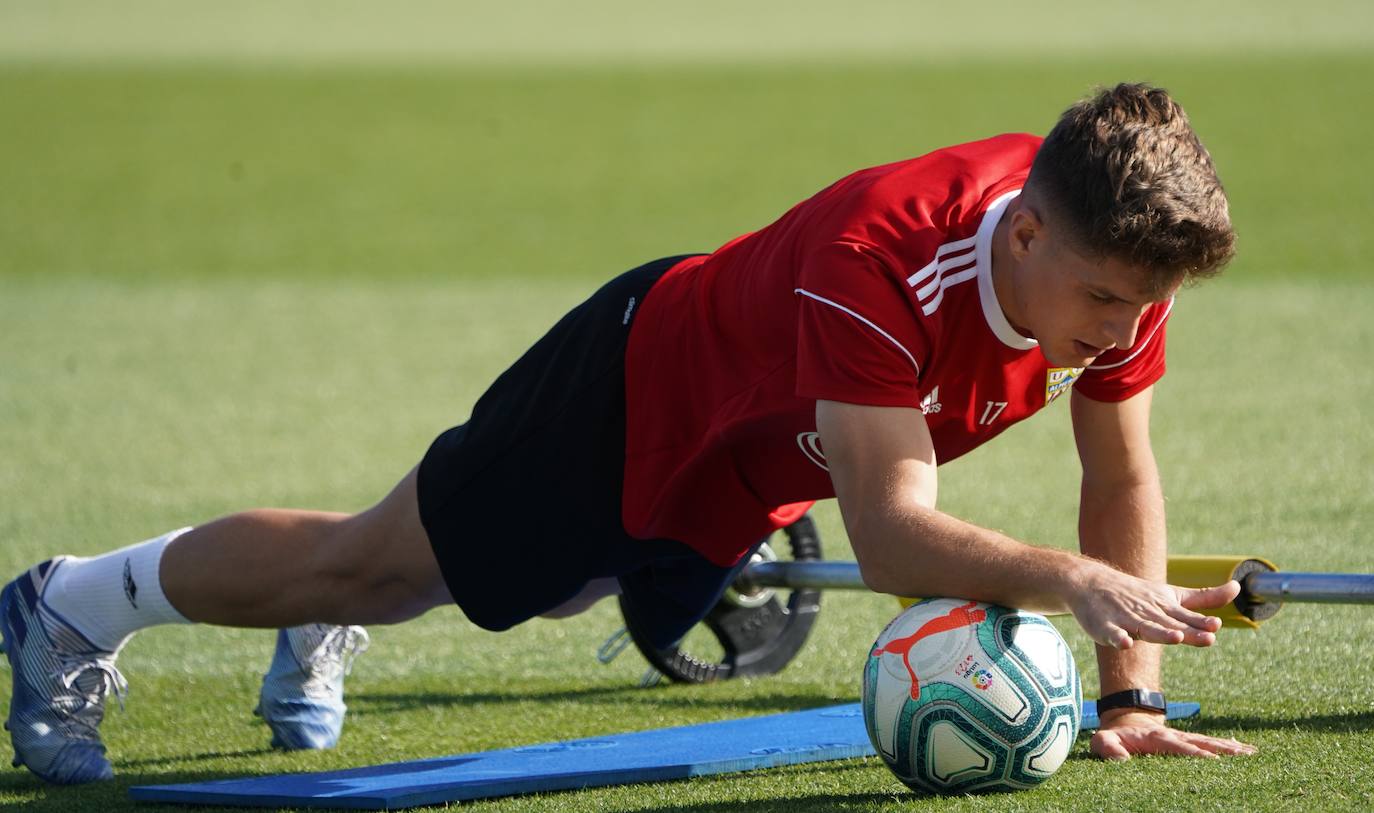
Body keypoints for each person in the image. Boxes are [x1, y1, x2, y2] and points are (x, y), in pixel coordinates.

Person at [1, 82, 1257, 786]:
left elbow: (1120, 471)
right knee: (375, 570)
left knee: (557, 596)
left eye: (1144, 307)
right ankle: (72, 603)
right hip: (631, 390)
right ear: (1027, 236)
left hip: (765, 442)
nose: (1124, 329)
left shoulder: (1106, 274)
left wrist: (1127, 701)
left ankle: (325, 596)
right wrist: (1071, 583)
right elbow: (893, 537)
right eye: (1106, 300)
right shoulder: (877, 261)